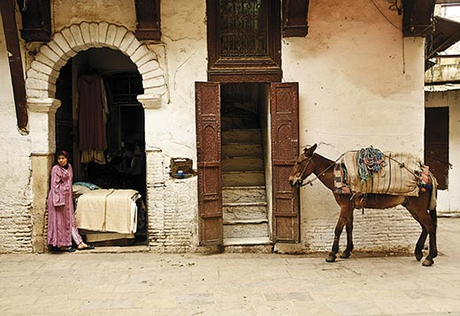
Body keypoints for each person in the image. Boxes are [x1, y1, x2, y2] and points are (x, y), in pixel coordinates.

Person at [47, 150, 94, 252]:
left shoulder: (69, 167)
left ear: (67, 159)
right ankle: (62, 245)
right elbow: (54, 186)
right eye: (59, 158)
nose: (61, 160)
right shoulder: (56, 169)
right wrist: (58, 200)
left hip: (67, 199)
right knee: (60, 222)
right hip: (58, 199)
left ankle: (79, 242)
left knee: (70, 221)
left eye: (63, 158)